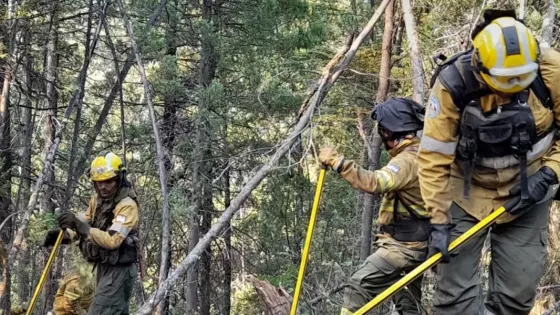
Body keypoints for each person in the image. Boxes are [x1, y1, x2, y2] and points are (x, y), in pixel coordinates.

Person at [418, 10, 560, 315]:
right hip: (466, 195)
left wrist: (549, 174)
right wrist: (439, 219)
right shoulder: (453, 82)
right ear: (481, 67)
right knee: (454, 301)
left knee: (516, 296)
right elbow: (433, 156)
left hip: (528, 193)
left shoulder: (552, 69)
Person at [319, 98, 429, 315]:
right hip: (416, 242)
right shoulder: (420, 154)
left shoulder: (407, 161)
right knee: (408, 302)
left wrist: (338, 162)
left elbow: (376, 182)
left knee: (358, 285)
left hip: (404, 248)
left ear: (389, 131)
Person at [44, 151, 140, 315]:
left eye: (108, 181)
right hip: (103, 268)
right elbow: (85, 220)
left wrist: (81, 228)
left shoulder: (127, 205)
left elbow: (113, 241)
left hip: (118, 272)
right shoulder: (97, 200)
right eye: (99, 182)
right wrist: (67, 235)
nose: (103, 186)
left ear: (119, 179)